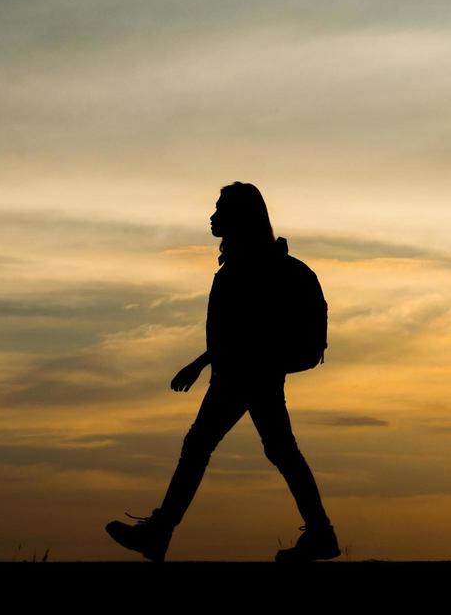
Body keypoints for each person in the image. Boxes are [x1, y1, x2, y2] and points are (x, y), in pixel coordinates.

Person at [105, 182, 339, 562]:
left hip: (245, 375)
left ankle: (160, 533)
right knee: (277, 450)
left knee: (201, 446)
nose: (212, 217)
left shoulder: (249, 270)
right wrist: (201, 363)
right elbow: (237, 333)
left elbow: (246, 333)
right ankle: (320, 533)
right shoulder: (250, 267)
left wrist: (204, 364)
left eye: (220, 211)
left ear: (240, 218)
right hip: (250, 372)